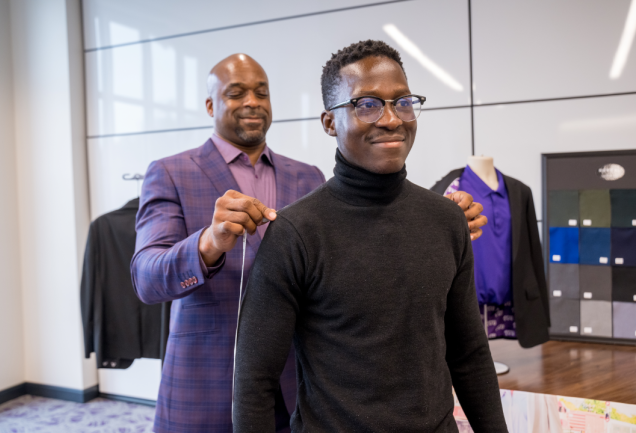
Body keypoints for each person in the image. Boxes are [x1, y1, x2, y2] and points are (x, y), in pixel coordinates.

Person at [131, 53, 488, 432]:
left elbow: (352, 249)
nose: (252, 101)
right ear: (210, 105)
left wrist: (431, 227)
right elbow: (146, 279)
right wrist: (208, 242)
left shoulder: (304, 177)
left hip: (301, 386)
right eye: (236, 93)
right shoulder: (171, 173)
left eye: (261, 92)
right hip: (208, 383)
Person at [232, 41, 507, 432]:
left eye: (403, 101)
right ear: (330, 123)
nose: (392, 119)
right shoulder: (296, 233)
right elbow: (255, 380)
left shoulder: (446, 220)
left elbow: (470, 354)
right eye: (367, 104)